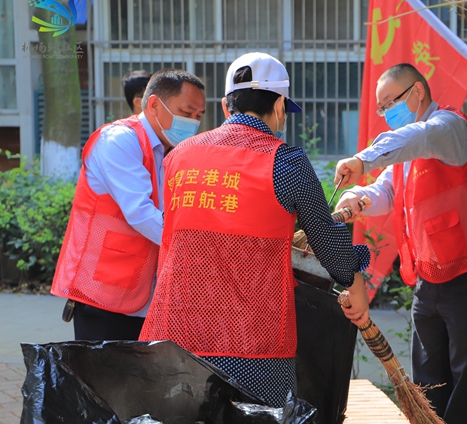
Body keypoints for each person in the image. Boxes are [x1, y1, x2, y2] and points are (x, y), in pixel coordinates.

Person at [139, 52, 371, 407]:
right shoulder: (287, 161)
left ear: (225, 104)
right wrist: (356, 274)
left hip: (174, 334)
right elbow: (330, 252)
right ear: (280, 105)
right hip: (252, 342)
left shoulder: (178, 156)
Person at [334, 63, 467, 424]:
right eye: (381, 108)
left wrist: (362, 158)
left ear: (417, 91)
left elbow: (420, 136)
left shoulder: (449, 127)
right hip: (428, 278)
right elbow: (385, 189)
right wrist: (357, 198)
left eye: (390, 103)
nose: (386, 114)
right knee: (429, 379)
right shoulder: (405, 150)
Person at [51, 69, 206, 340]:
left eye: (197, 117)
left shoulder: (169, 152)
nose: (192, 123)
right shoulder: (120, 140)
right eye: (186, 111)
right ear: (155, 104)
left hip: (143, 296)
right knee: (103, 381)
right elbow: (141, 213)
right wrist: (197, 251)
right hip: (103, 296)